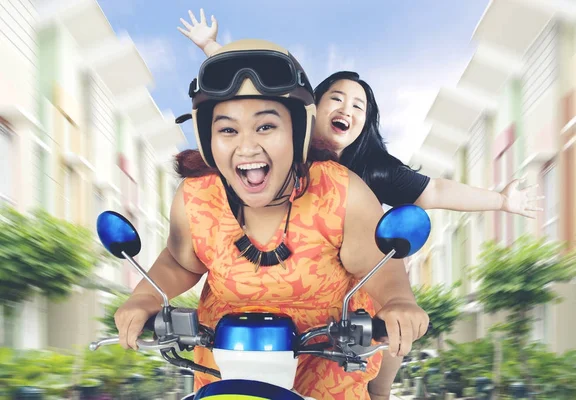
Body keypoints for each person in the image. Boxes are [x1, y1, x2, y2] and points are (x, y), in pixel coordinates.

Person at [114, 39, 429, 400]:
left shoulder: (342, 192)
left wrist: (398, 302)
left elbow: (378, 266)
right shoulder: (196, 197)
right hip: (226, 369)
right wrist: (143, 299)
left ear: (299, 132)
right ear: (207, 140)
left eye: (265, 127)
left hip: (328, 360)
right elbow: (180, 260)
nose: (246, 147)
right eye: (228, 130)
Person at [177, 9, 544, 217]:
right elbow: (253, 90)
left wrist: (502, 200)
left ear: (364, 125)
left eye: (358, 107)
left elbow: (437, 192)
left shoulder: (375, 170)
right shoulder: (271, 147)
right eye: (335, 98)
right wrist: (211, 47)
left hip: (341, 298)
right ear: (309, 106)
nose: (345, 110)